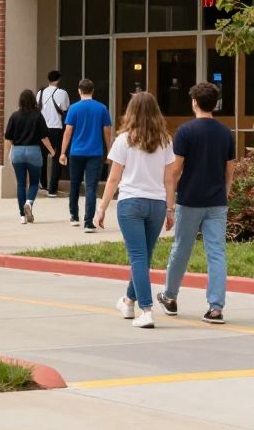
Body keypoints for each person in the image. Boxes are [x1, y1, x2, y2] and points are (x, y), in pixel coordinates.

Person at [96, 92, 177, 329]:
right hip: (156, 204)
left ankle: (147, 309)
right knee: (144, 257)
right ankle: (128, 301)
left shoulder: (123, 140)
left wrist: (101, 208)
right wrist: (170, 209)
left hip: (130, 203)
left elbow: (113, 178)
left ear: (130, 111)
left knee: (139, 258)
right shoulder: (165, 140)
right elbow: (170, 178)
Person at [157, 82, 235, 324]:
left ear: (194, 102)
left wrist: (170, 201)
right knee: (216, 253)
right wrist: (225, 192)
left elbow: (176, 169)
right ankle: (216, 307)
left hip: (190, 200)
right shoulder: (226, 133)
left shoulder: (185, 131)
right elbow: (229, 171)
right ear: (215, 104)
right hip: (217, 202)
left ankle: (169, 296)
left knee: (181, 248)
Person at [58, 78, 112, 232]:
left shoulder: (74, 109)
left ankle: (74, 216)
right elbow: (107, 130)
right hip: (95, 152)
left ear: (79, 91)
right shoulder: (102, 108)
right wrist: (109, 150)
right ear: (93, 91)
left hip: (76, 152)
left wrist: (63, 152)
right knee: (91, 187)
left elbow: (68, 131)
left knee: (74, 184)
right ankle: (88, 221)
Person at [4, 89, 55, 224]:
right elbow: (44, 137)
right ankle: (29, 202)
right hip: (33, 151)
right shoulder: (38, 115)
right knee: (33, 183)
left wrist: (7, 154)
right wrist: (52, 150)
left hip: (18, 151)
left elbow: (8, 138)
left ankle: (22, 216)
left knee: (21, 184)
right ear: (34, 101)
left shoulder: (14, 116)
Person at [37, 70, 71, 197]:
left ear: (48, 79)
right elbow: (65, 108)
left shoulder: (40, 93)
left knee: (42, 157)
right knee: (56, 157)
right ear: (59, 79)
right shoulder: (62, 93)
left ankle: (43, 184)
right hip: (56, 128)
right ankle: (52, 188)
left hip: (42, 129)